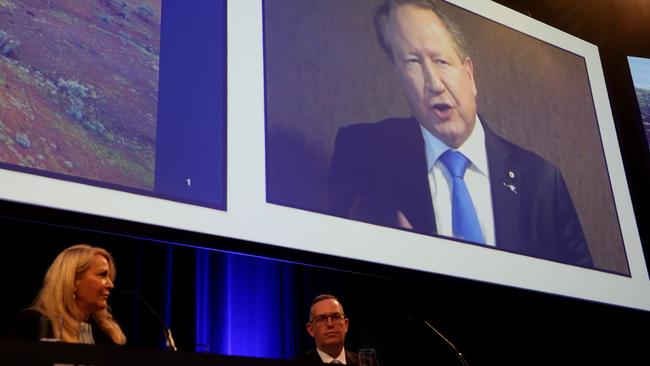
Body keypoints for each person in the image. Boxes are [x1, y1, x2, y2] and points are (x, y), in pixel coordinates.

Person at [329, 0, 593, 268]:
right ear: (398, 76)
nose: (434, 83)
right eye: (412, 62)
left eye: (441, 61)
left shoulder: (543, 182)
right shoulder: (363, 153)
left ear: (469, 74)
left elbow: (587, 295)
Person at [6, 244, 126, 345]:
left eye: (109, 277)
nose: (111, 285)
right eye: (102, 275)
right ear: (73, 281)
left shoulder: (107, 334)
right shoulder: (34, 324)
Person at [292, 294, 378, 365]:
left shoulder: (367, 363)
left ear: (346, 325)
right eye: (321, 319)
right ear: (311, 329)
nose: (330, 324)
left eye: (336, 317)